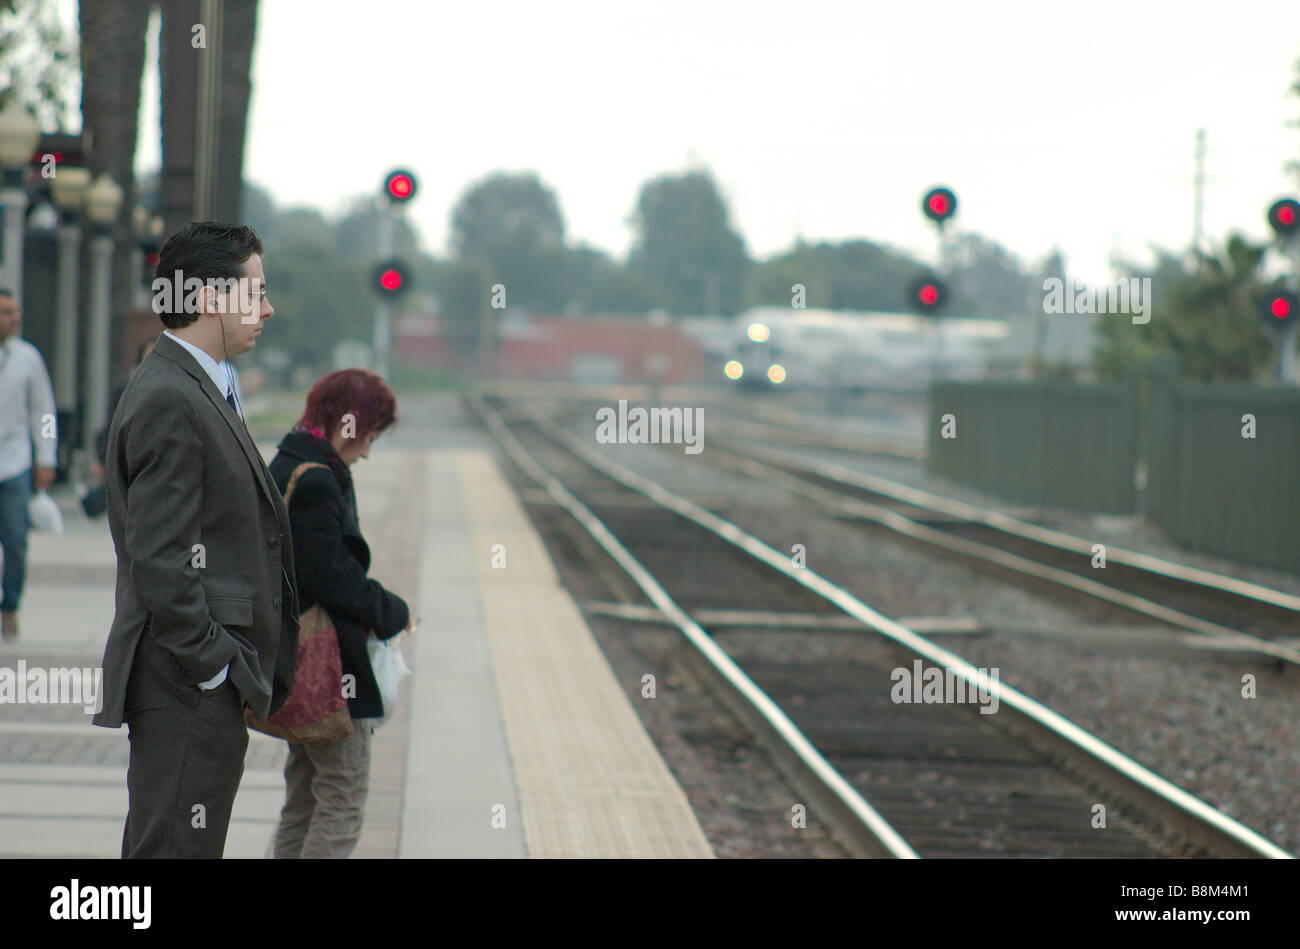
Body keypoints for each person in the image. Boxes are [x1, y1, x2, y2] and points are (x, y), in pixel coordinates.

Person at [92, 222, 300, 859]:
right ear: (210, 298)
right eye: (255, 292)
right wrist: (214, 665)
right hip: (185, 683)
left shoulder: (195, 385)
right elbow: (162, 555)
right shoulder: (173, 399)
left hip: (193, 681)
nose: (267, 308)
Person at [267, 369, 411, 859]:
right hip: (327, 672)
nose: (368, 450)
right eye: (369, 436)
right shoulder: (317, 481)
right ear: (349, 425)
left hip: (296, 663)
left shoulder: (291, 461)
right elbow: (329, 575)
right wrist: (392, 611)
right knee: (342, 801)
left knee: (304, 803)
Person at [0, 288, 57, 641]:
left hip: (15, 463)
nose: (14, 318)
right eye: (7, 312)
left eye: (15, 311)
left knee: (17, 540)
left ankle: (10, 606)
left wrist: (46, 456)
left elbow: (44, 412)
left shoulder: (27, 358)